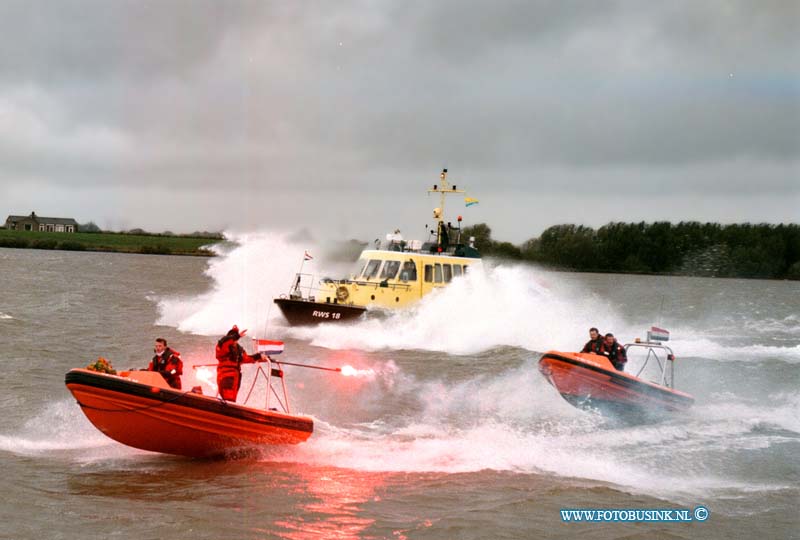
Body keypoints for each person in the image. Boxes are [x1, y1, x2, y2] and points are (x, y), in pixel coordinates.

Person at [215, 325, 265, 402]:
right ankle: (228, 409)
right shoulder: (222, 346)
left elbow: (246, 358)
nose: (234, 339)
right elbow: (224, 341)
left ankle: (230, 408)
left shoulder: (239, 349)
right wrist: (237, 336)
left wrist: (258, 357)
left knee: (231, 398)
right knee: (228, 397)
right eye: (233, 336)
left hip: (236, 376)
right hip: (226, 375)